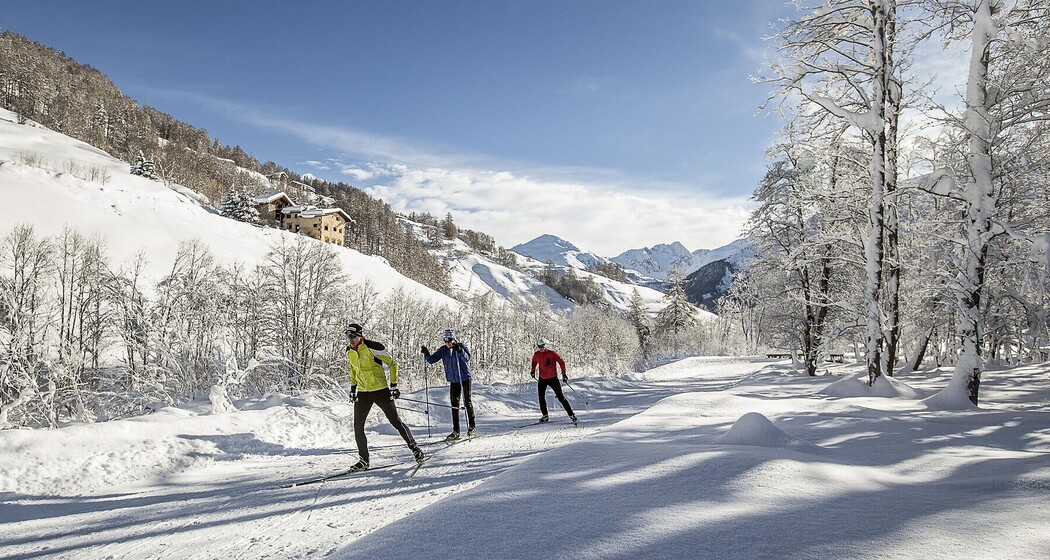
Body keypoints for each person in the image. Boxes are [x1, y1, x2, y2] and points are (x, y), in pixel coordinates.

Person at [345, 323, 425, 471]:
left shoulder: (373, 347)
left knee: (395, 422)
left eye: (353, 336)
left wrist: (393, 385)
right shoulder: (349, 351)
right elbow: (353, 370)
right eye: (348, 336)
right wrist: (353, 389)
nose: (351, 339)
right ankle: (364, 460)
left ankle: (416, 449)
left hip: (380, 390)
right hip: (363, 392)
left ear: (360, 335)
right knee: (358, 426)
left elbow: (393, 364)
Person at [421, 328, 477, 440]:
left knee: (467, 401)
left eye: (449, 340)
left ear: (453, 339)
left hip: (465, 378)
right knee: (454, 404)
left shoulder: (460, 346)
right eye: (445, 341)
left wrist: (459, 350)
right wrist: (426, 353)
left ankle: (472, 427)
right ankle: (456, 430)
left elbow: (467, 358)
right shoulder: (443, 350)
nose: (447, 343)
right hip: (453, 380)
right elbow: (432, 360)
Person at [530, 338, 577, 425]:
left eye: (542, 346)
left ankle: (571, 415)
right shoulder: (537, 354)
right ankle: (545, 416)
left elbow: (561, 362)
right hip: (542, 378)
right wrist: (533, 371)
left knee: (560, 397)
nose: (541, 348)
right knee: (541, 397)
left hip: (553, 378)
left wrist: (564, 374)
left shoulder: (552, 354)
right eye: (539, 347)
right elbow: (534, 362)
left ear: (545, 346)